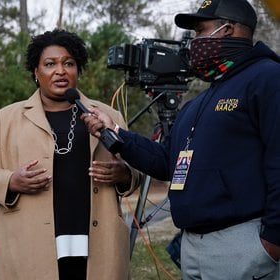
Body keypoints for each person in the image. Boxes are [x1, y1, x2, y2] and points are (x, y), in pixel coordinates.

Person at [82, 0, 280, 279]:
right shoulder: (199, 102)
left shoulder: (268, 78)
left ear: (228, 29)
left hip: (242, 244)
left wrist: (271, 242)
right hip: (192, 246)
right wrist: (113, 131)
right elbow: (166, 162)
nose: (193, 42)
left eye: (200, 31)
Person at [0, 29, 142, 280]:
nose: (60, 70)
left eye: (68, 63)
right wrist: (11, 181)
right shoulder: (6, 118)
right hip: (28, 244)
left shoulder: (107, 115)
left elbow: (134, 170)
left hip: (98, 241)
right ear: (36, 73)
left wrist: (124, 174)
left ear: (78, 70)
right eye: (50, 64)